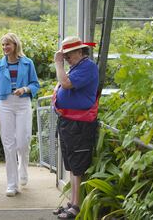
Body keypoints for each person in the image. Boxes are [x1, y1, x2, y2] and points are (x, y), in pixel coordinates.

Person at [52, 36, 99, 219]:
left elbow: (66, 83)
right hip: (70, 122)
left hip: (79, 124)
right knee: (71, 164)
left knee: (77, 164)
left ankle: (76, 206)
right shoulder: (77, 67)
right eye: (64, 56)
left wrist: (58, 64)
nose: (66, 59)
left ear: (80, 52)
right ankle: (72, 202)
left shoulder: (87, 67)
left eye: (69, 55)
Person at [0, 33, 40, 197]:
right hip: (5, 104)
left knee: (22, 142)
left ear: (15, 45)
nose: (5, 48)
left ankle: (23, 169)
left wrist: (25, 89)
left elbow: (35, 85)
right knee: (9, 145)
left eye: (7, 44)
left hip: (23, 103)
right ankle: (12, 184)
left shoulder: (28, 63)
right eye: (3, 45)